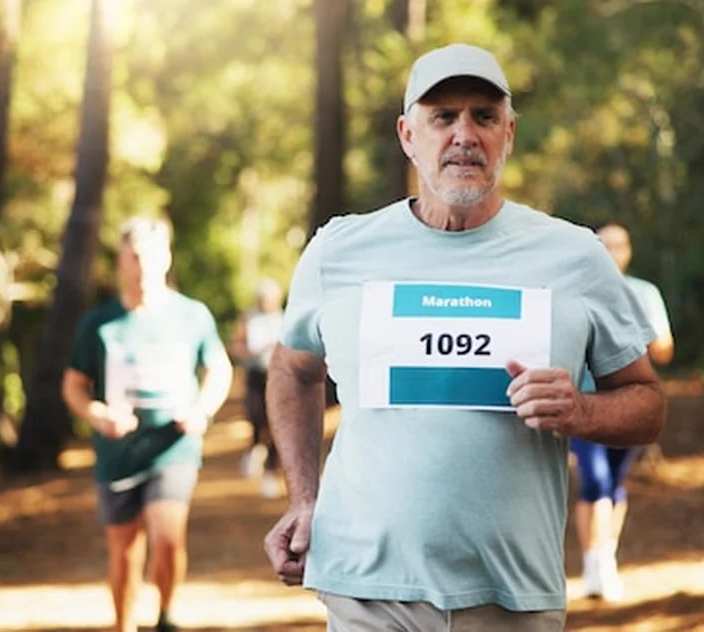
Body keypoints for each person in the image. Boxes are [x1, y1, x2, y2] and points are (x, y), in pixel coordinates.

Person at [261, 43, 667, 631]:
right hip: (368, 592)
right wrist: (303, 496)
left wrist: (580, 409)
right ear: (408, 134)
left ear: (510, 134)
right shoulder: (339, 251)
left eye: (483, 116)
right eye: (443, 117)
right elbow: (293, 370)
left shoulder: (574, 256)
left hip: (511, 597)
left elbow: (648, 405)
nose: (464, 135)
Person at [62, 215, 233, 632]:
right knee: (123, 551)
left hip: (173, 447)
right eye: (134, 258)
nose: (143, 267)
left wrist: (201, 411)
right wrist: (96, 414)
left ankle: (166, 616)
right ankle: (124, 625)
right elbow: (74, 385)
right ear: (121, 262)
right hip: (118, 453)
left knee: (167, 537)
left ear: (167, 258)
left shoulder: (192, 316)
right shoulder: (98, 324)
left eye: (151, 257)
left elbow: (219, 370)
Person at [569, 221, 675, 602]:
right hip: (583, 404)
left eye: (619, 245)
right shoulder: (576, 290)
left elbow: (664, 349)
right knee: (594, 481)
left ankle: (605, 556)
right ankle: (595, 565)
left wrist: (636, 337)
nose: (613, 252)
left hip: (628, 402)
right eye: (605, 245)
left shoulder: (644, 294)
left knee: (614, 484)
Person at [231, 277, 285, 498]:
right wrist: (250, 353)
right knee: (255, 416)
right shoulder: (249, 319)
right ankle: (254, 448)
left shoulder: (285, 319)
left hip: (277, 377)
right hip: (255, 374)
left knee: (276, 424)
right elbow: (236, 345)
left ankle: (271, 472)